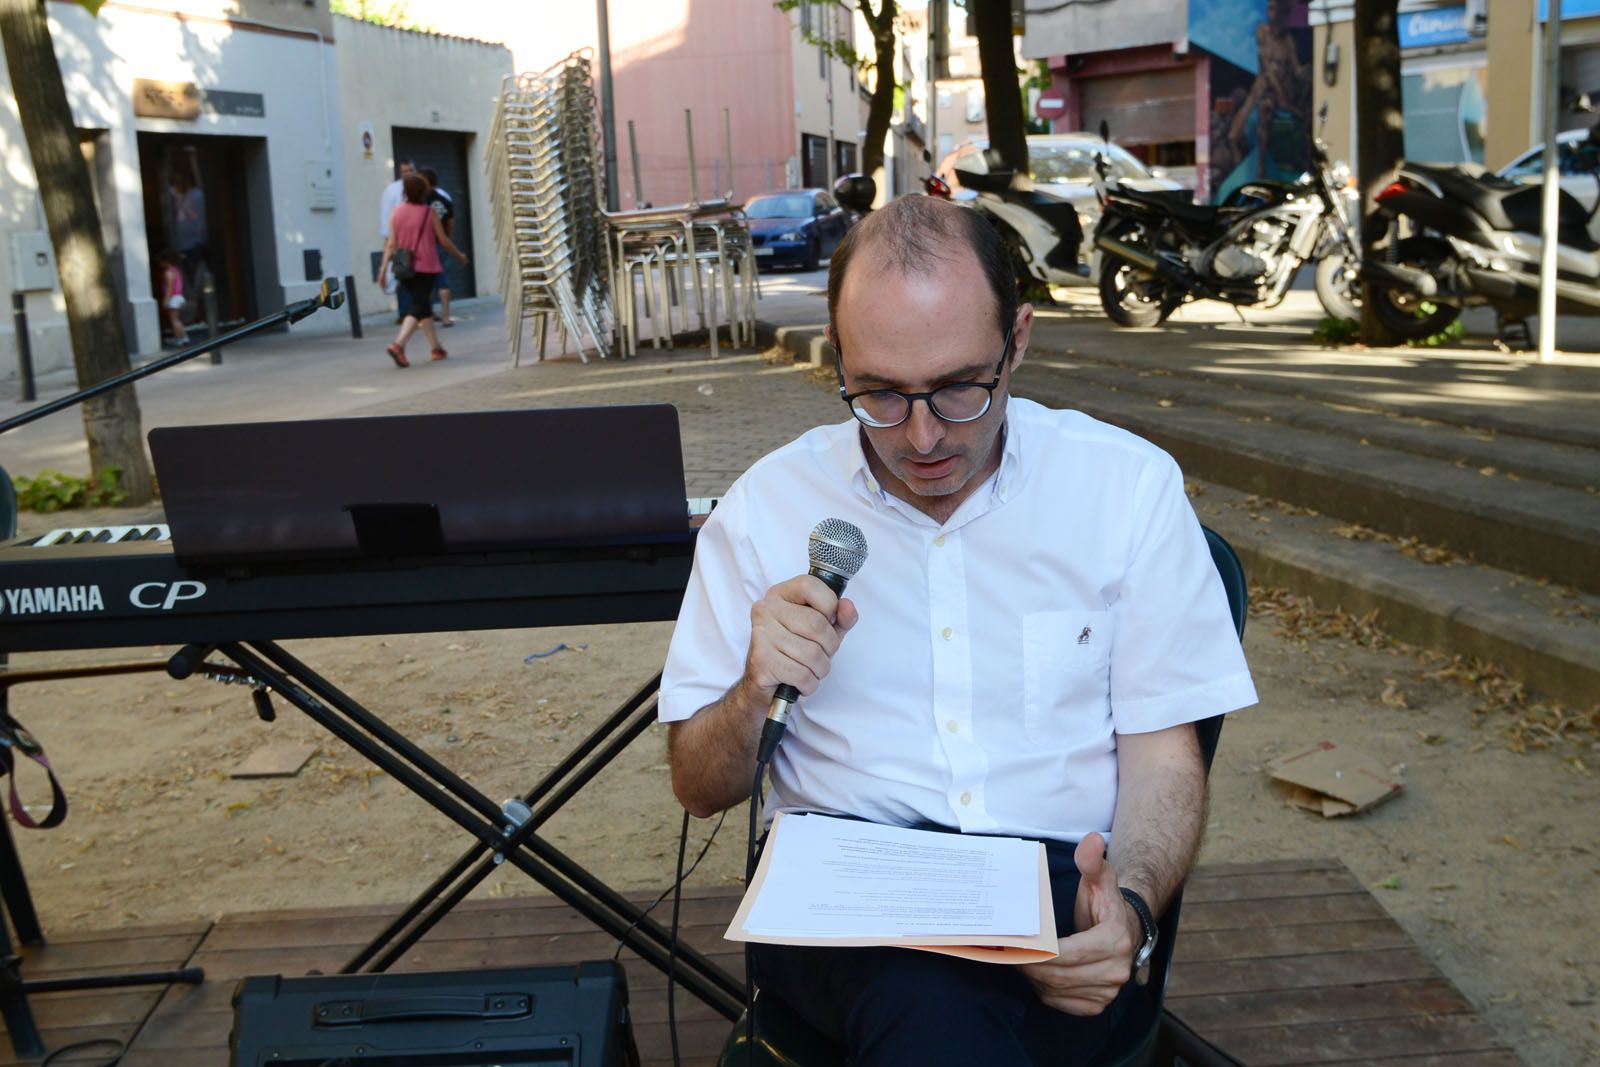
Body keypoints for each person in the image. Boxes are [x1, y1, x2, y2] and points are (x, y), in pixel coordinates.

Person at [659, 196, 1256, 1065]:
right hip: (846, 900)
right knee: (928, 995)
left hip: (1062, 886)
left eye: (958, 387)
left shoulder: (1126, 490)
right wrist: (754, 692)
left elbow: (1166, 758)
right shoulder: (765, 509)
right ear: (839, 358)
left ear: (1018, 340)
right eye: (880, 395)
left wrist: (1126, 908)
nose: (924, 435)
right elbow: (699, 787)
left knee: (947, 1014)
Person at [376, 173, 468, 368]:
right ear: (423, 191)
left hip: (403, 266)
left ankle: (436, 348)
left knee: (423, 306)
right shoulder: (429, 212)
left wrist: (383, 269)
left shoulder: (396, 211)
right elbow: (443, 240)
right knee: (418, 306)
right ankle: (398, 345)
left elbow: (391, 244)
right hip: (426, 265)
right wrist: (459, 256)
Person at [168, 147, 207, 317]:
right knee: (184, 278)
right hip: (181, 243)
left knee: (195, 276)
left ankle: (197, 313)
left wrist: (193, 158)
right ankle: (190, 314)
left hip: (195, 243)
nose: (177, 185)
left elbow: (199, 182)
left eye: (180, 181)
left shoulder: (195, 195)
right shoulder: (174, 195)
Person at [419, 167, 458, 327]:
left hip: (425, 246)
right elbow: (450, 222)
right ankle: (446, 317)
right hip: (441, 244)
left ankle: (427, 316)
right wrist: (448, 240)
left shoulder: (422, 201)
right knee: (442, 280)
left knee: (426, 281)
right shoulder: (445, 199)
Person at [380, 159, 416, 321]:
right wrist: (389, 242)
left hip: (418, 241)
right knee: (403, 275)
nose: (408, 173)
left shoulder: (420, 187)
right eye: (404, 171)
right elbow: (386, 216)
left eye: (410, 170)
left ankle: (420, 311)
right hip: (401, 242)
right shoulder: (392, 190)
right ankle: (404, 313)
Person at [157, 249, 189, 348]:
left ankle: (179, 338)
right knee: (177, 319)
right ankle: (184, 337)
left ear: (166, 261)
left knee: (174, 320)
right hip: (178, 297)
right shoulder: (176, 270)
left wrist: (165, 301)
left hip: (173, 298)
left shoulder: (169, 273)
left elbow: (169, 289)